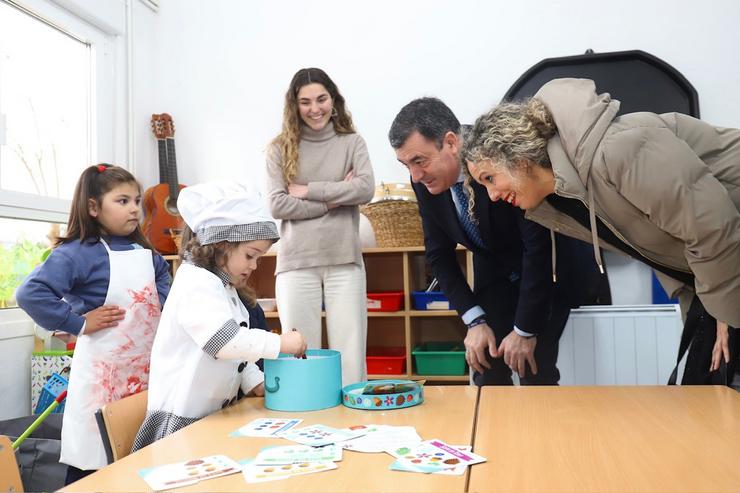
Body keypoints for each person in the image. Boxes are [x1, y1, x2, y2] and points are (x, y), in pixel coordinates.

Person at [462, 77, 740, 385]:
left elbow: (713, 226)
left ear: (519, 158)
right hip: (723, 266)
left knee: (714, 395)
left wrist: (726, 313)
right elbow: (668, 247)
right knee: (701, 390)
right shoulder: (558, 202)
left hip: (729, 249)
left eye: (490, 178)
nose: (492, 195)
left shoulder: (619, 149)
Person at [388, 98, 600, 385]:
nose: (415, 175)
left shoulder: (496, 155)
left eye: (419, 161)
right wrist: (474, 321)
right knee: (486, 366)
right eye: (406, 165)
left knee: (534, 369)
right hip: (495, 272)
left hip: (549, 269)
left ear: (451, 142)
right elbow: (439, 255)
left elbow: (537, 248)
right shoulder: (423, 181)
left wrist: (525, 330)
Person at [16, 164, 171, 484]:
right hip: (102, 383)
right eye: (123, 201)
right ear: (93, 207)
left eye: (137, 200)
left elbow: (163, 291)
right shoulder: (77, 254)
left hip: (143, 375)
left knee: (137, 461)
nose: (134, 209)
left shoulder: (146, 252)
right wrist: (77, 323)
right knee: (92, 464)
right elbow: (30, 293)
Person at [132, 182, 306, 451]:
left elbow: (236, 353)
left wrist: (253, 381)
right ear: (222, 245)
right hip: (180, 421)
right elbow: (225, 342)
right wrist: (282, 344)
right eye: (250, 255)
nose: (254, 265)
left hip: (208, 417)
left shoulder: (224, 286)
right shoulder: (195, 282)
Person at [266, 67, 374, 385]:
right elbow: (278, 204)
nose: (315, 109)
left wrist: (309, 190)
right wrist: (334, 198)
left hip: (344, 259)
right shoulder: (279, 148)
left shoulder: (352, 143)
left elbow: (365, 189)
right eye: (306, 102)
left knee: (350, 354)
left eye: (322, 99)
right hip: (296, 262)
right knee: (300, 353)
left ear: (334, 99)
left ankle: (354, 423)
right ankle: (306, 416)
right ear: (294, 105)